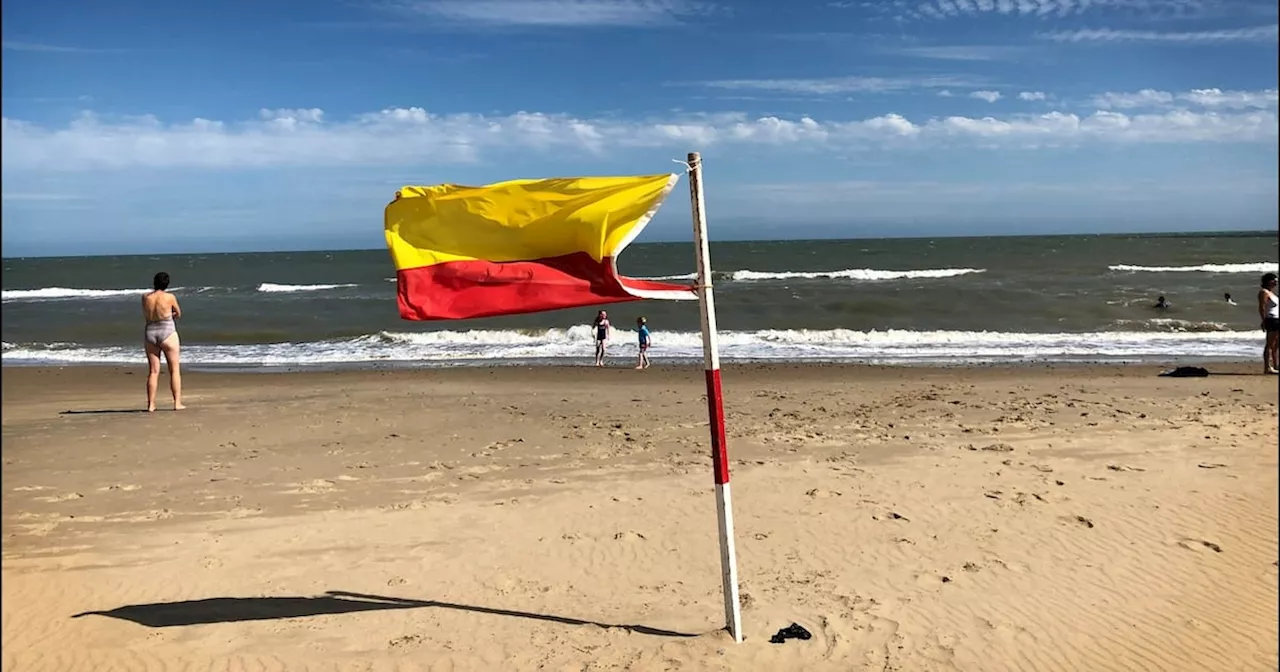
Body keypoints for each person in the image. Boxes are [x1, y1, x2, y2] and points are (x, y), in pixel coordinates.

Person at [142, 272, 185, 411]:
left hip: (150, 332)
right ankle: (177, 403)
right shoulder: (170, 297)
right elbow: (178, 313)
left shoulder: (145, 297)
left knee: (153, 371)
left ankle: (151, 404)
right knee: (174, 370)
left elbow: (147, 314)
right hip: (167, 332)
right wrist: (171, 314)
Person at [1259, 273, 1279, 375]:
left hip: (1277, 319)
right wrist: (1263, 321)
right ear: (1268, 281)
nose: (1276, 282)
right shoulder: (1264, 292)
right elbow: (1262, 307)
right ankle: (1267, 367)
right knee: (1270, 344)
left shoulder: (1272, 294)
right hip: (1271, 320)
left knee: (1276, 345)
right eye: (1274, 280)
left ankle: (1276, 365)